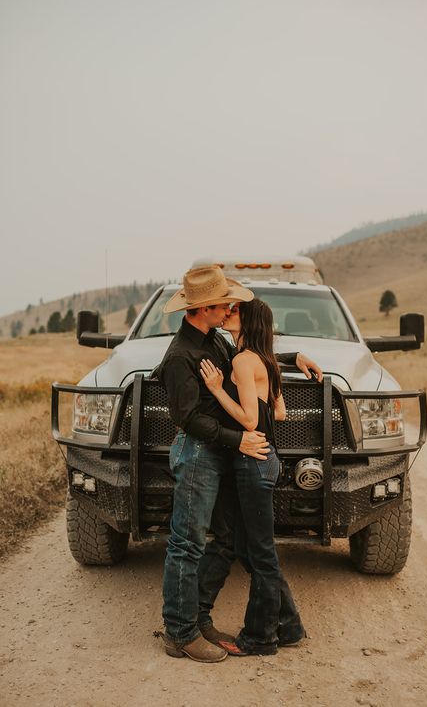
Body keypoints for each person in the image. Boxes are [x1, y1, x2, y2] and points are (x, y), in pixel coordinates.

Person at [155, 265, 323, 663]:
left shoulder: (214, 342)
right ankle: (180, 633)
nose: (230, 306)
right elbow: (188, 419)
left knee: (228, 540)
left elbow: (250, 357)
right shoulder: (181, 356)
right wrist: (241, 439)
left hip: (224, 453)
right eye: (223, 303)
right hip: (198, 453)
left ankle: (199, 618)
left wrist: (291, 356)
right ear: (202, 309)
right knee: (187, 542)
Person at [199, 298, 304, 655]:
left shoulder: (245, 361)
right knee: (249, 547)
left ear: (249, 321)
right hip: (265, 460)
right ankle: (289, 626)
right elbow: (280, 412)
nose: (227, 313)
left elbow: (249, 420)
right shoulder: (266, 361)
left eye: (234, 312)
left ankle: (260, 638)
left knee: (261, 554)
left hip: (253, 463)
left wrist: (216, 390)